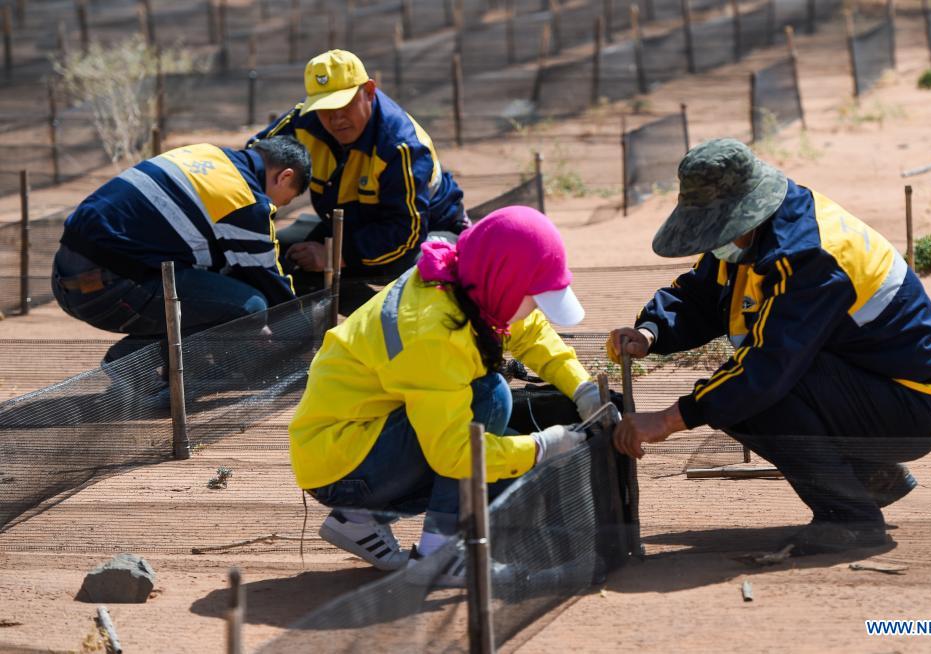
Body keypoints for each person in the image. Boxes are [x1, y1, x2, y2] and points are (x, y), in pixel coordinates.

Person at [608, 138, 931, 555]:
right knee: (734, 395)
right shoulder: (754, 235)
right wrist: (652, 332)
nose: (712, 241)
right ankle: (867, 476)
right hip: (865, 386)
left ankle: (850, 519)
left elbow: (769, 367)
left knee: (749, 396)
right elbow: (701, 294)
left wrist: (668, 420)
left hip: (911, 409)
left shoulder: (810, 255)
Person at [289, 206, 607, 586]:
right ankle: (438, 557)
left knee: (498, 446)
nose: (538, 307)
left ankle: (358, 520)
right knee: (490, 400)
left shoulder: (471, 279)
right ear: (505, 281)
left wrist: (583, 388)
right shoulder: (433, 331)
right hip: (339, 462)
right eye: (535, 296)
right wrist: (542, 446)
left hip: (355, 440)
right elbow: (455, 454)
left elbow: (532, 334)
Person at [52, 136, 311, 365]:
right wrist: (301, 336)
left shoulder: (205, 153)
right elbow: (269, 280)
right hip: (108, 293)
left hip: (65, 280)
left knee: (219, 290)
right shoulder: (245, 199)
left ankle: (159, 369)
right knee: (249, 307)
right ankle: (135, 367)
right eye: (284, 200)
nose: (276, 207)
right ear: (284, 176)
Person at [249, 49, 467, 304]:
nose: (336, 117)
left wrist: (333, 255)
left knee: (426, 274)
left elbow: (405, 234)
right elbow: (252, 164)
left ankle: (381, 322)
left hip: (427, 230)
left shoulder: (401, 146)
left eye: (345, 103)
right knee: (287, 262)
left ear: (369, 91)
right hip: (350, 225)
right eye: (326, 107)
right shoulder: (303, 122)